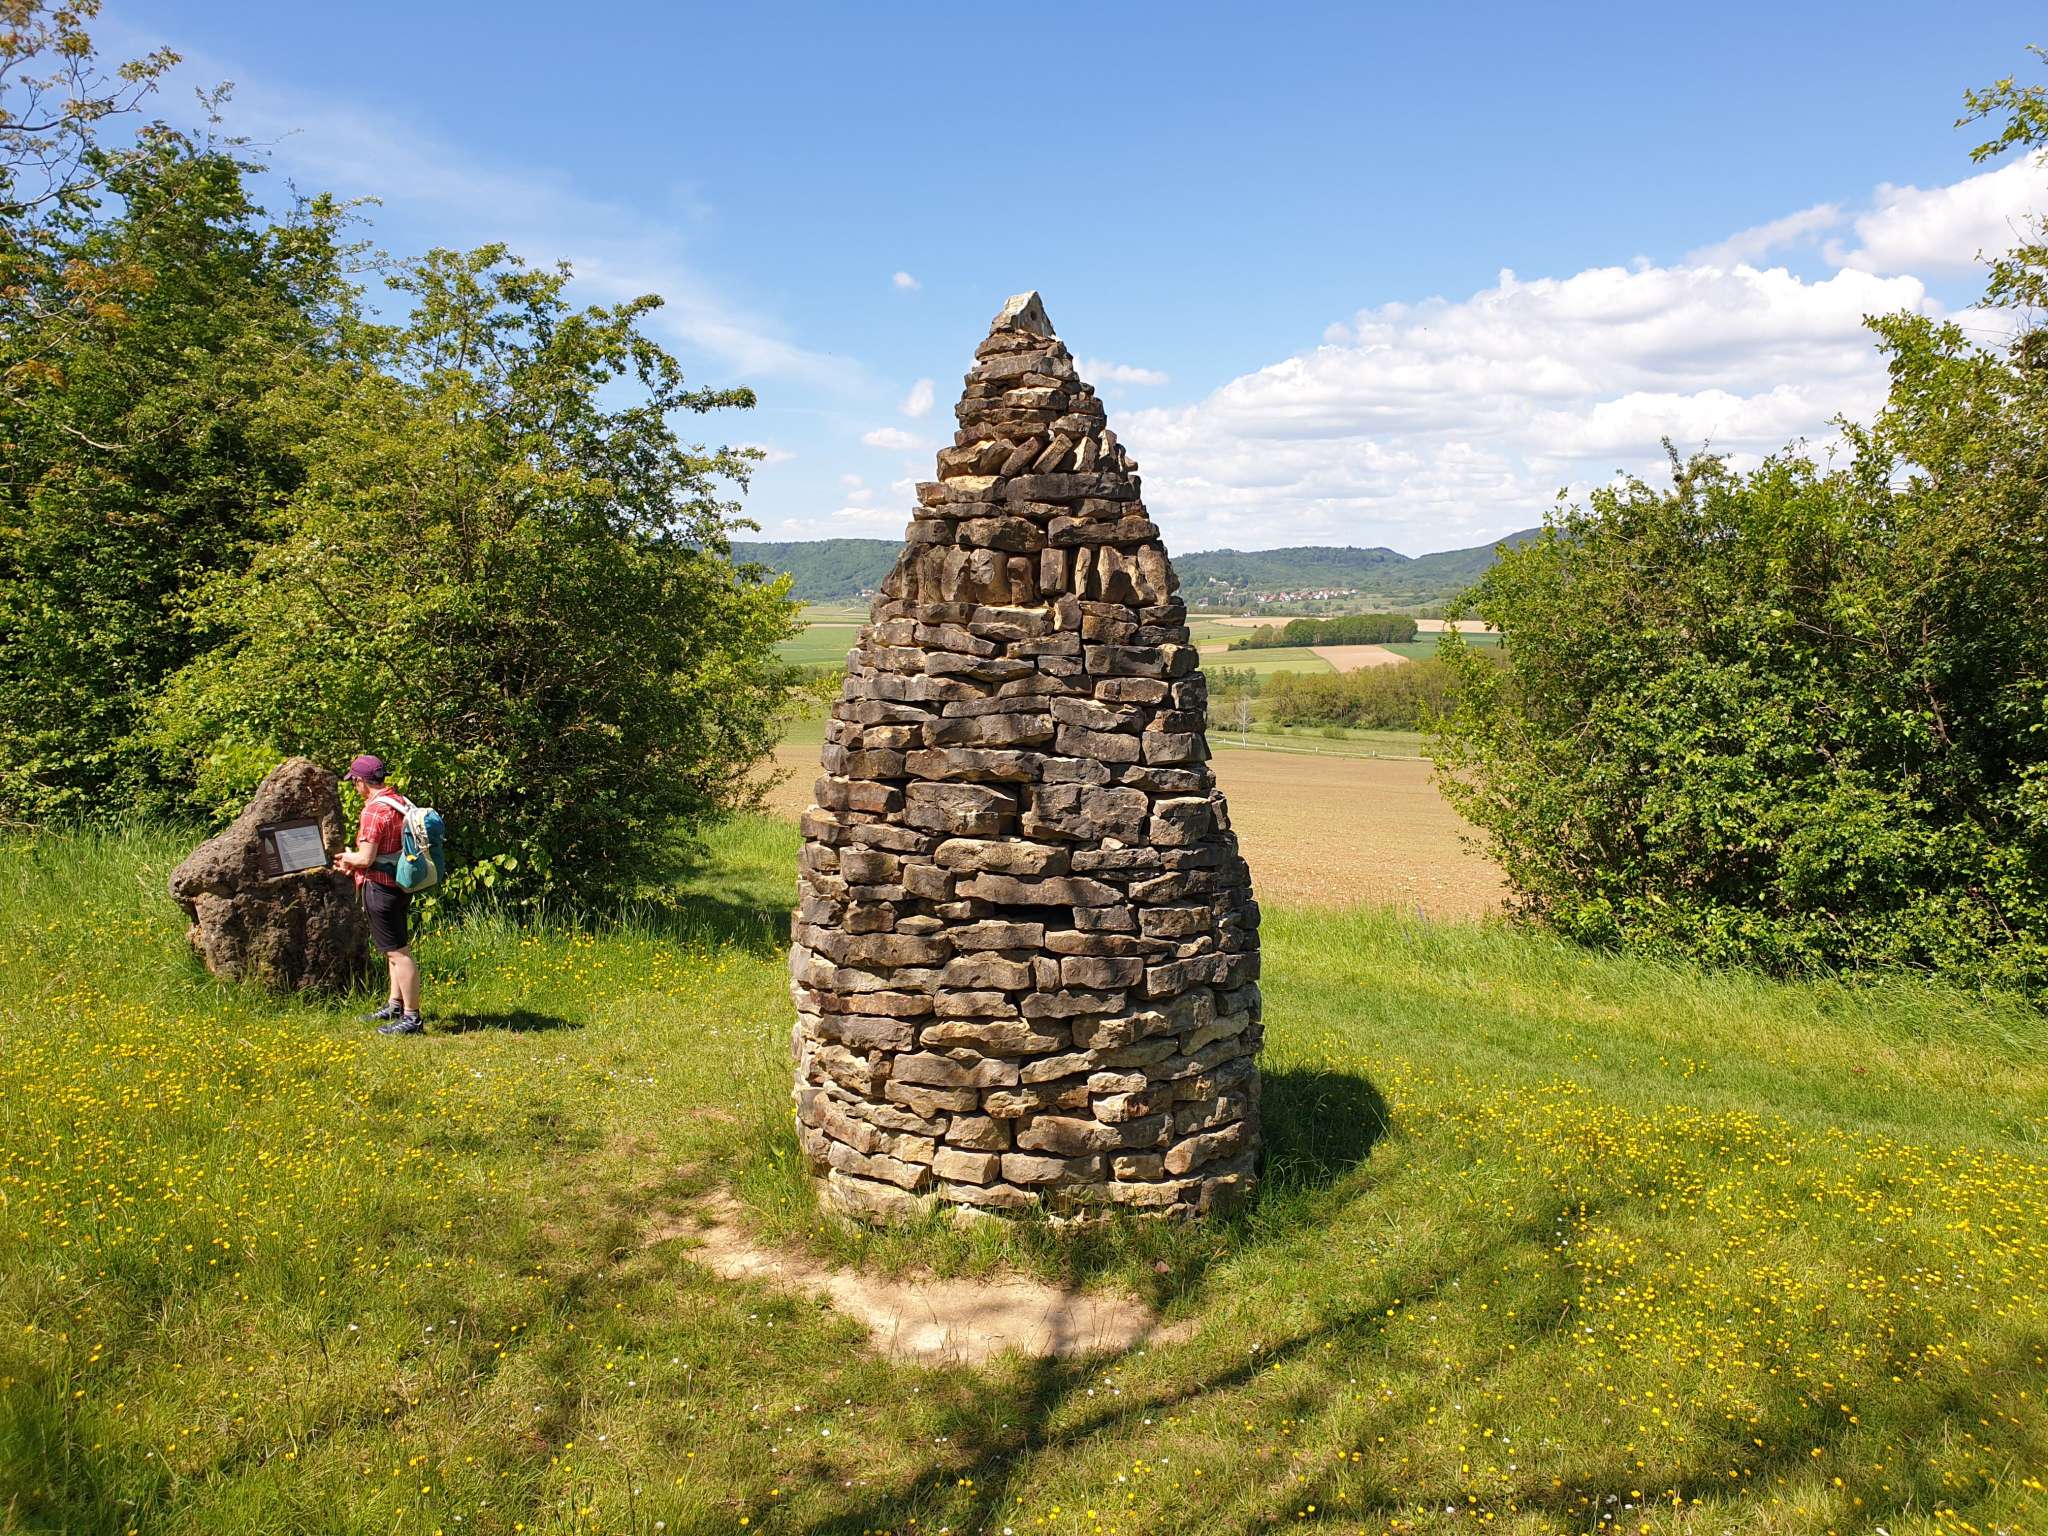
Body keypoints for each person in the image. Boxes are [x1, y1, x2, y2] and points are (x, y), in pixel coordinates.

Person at [335, 754, 424, 1036]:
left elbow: (365, 858)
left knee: (399, 954)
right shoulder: (398, 801)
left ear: (361, 781)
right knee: (392, 949)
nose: (355, 787)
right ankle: (395, 1005)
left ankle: (412, 1018)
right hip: (400, 884)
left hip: (380, 888)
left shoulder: (373, 811)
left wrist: (347, 858)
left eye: (354, 782)